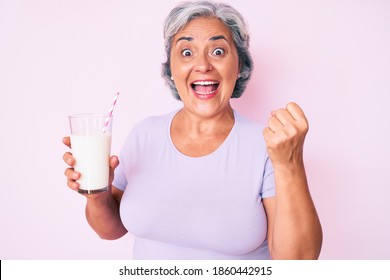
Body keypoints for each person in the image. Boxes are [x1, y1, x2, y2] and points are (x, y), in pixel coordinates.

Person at [63, 0, 322, 260]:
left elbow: (297, 263)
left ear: (239, 65)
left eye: (218, 51)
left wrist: (290, 163)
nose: (203, 65)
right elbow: (110, 230)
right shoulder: (144, 135)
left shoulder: (268, 146)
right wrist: (97, 193)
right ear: (171, 69)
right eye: (187, 52)